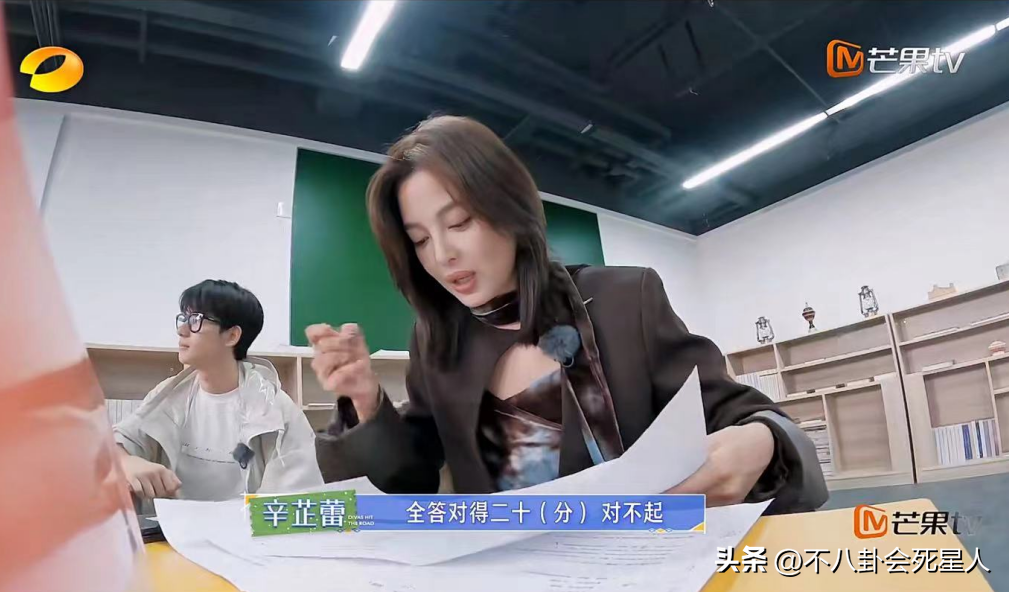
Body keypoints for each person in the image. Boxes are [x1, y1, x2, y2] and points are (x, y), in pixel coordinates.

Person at [311, 116, 827, 513]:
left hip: (650, 564)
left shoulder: (626, 299)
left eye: (460, 222)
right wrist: (364, 400)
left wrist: (759, 440)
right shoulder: (436, 340)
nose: (442, 254)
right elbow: (411, 480)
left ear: (509, 209)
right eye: (421, 240)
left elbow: (742, 417)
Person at [113, 280, 323, 502]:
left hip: (249, 524)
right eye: (184, 319)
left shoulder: (276, 410)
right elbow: (114, 443)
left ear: (232, 336)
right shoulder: (167, 395)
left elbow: (296, 500)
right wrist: (126, 461)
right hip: (173, 524)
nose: (182, 330)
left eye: (196, 320)